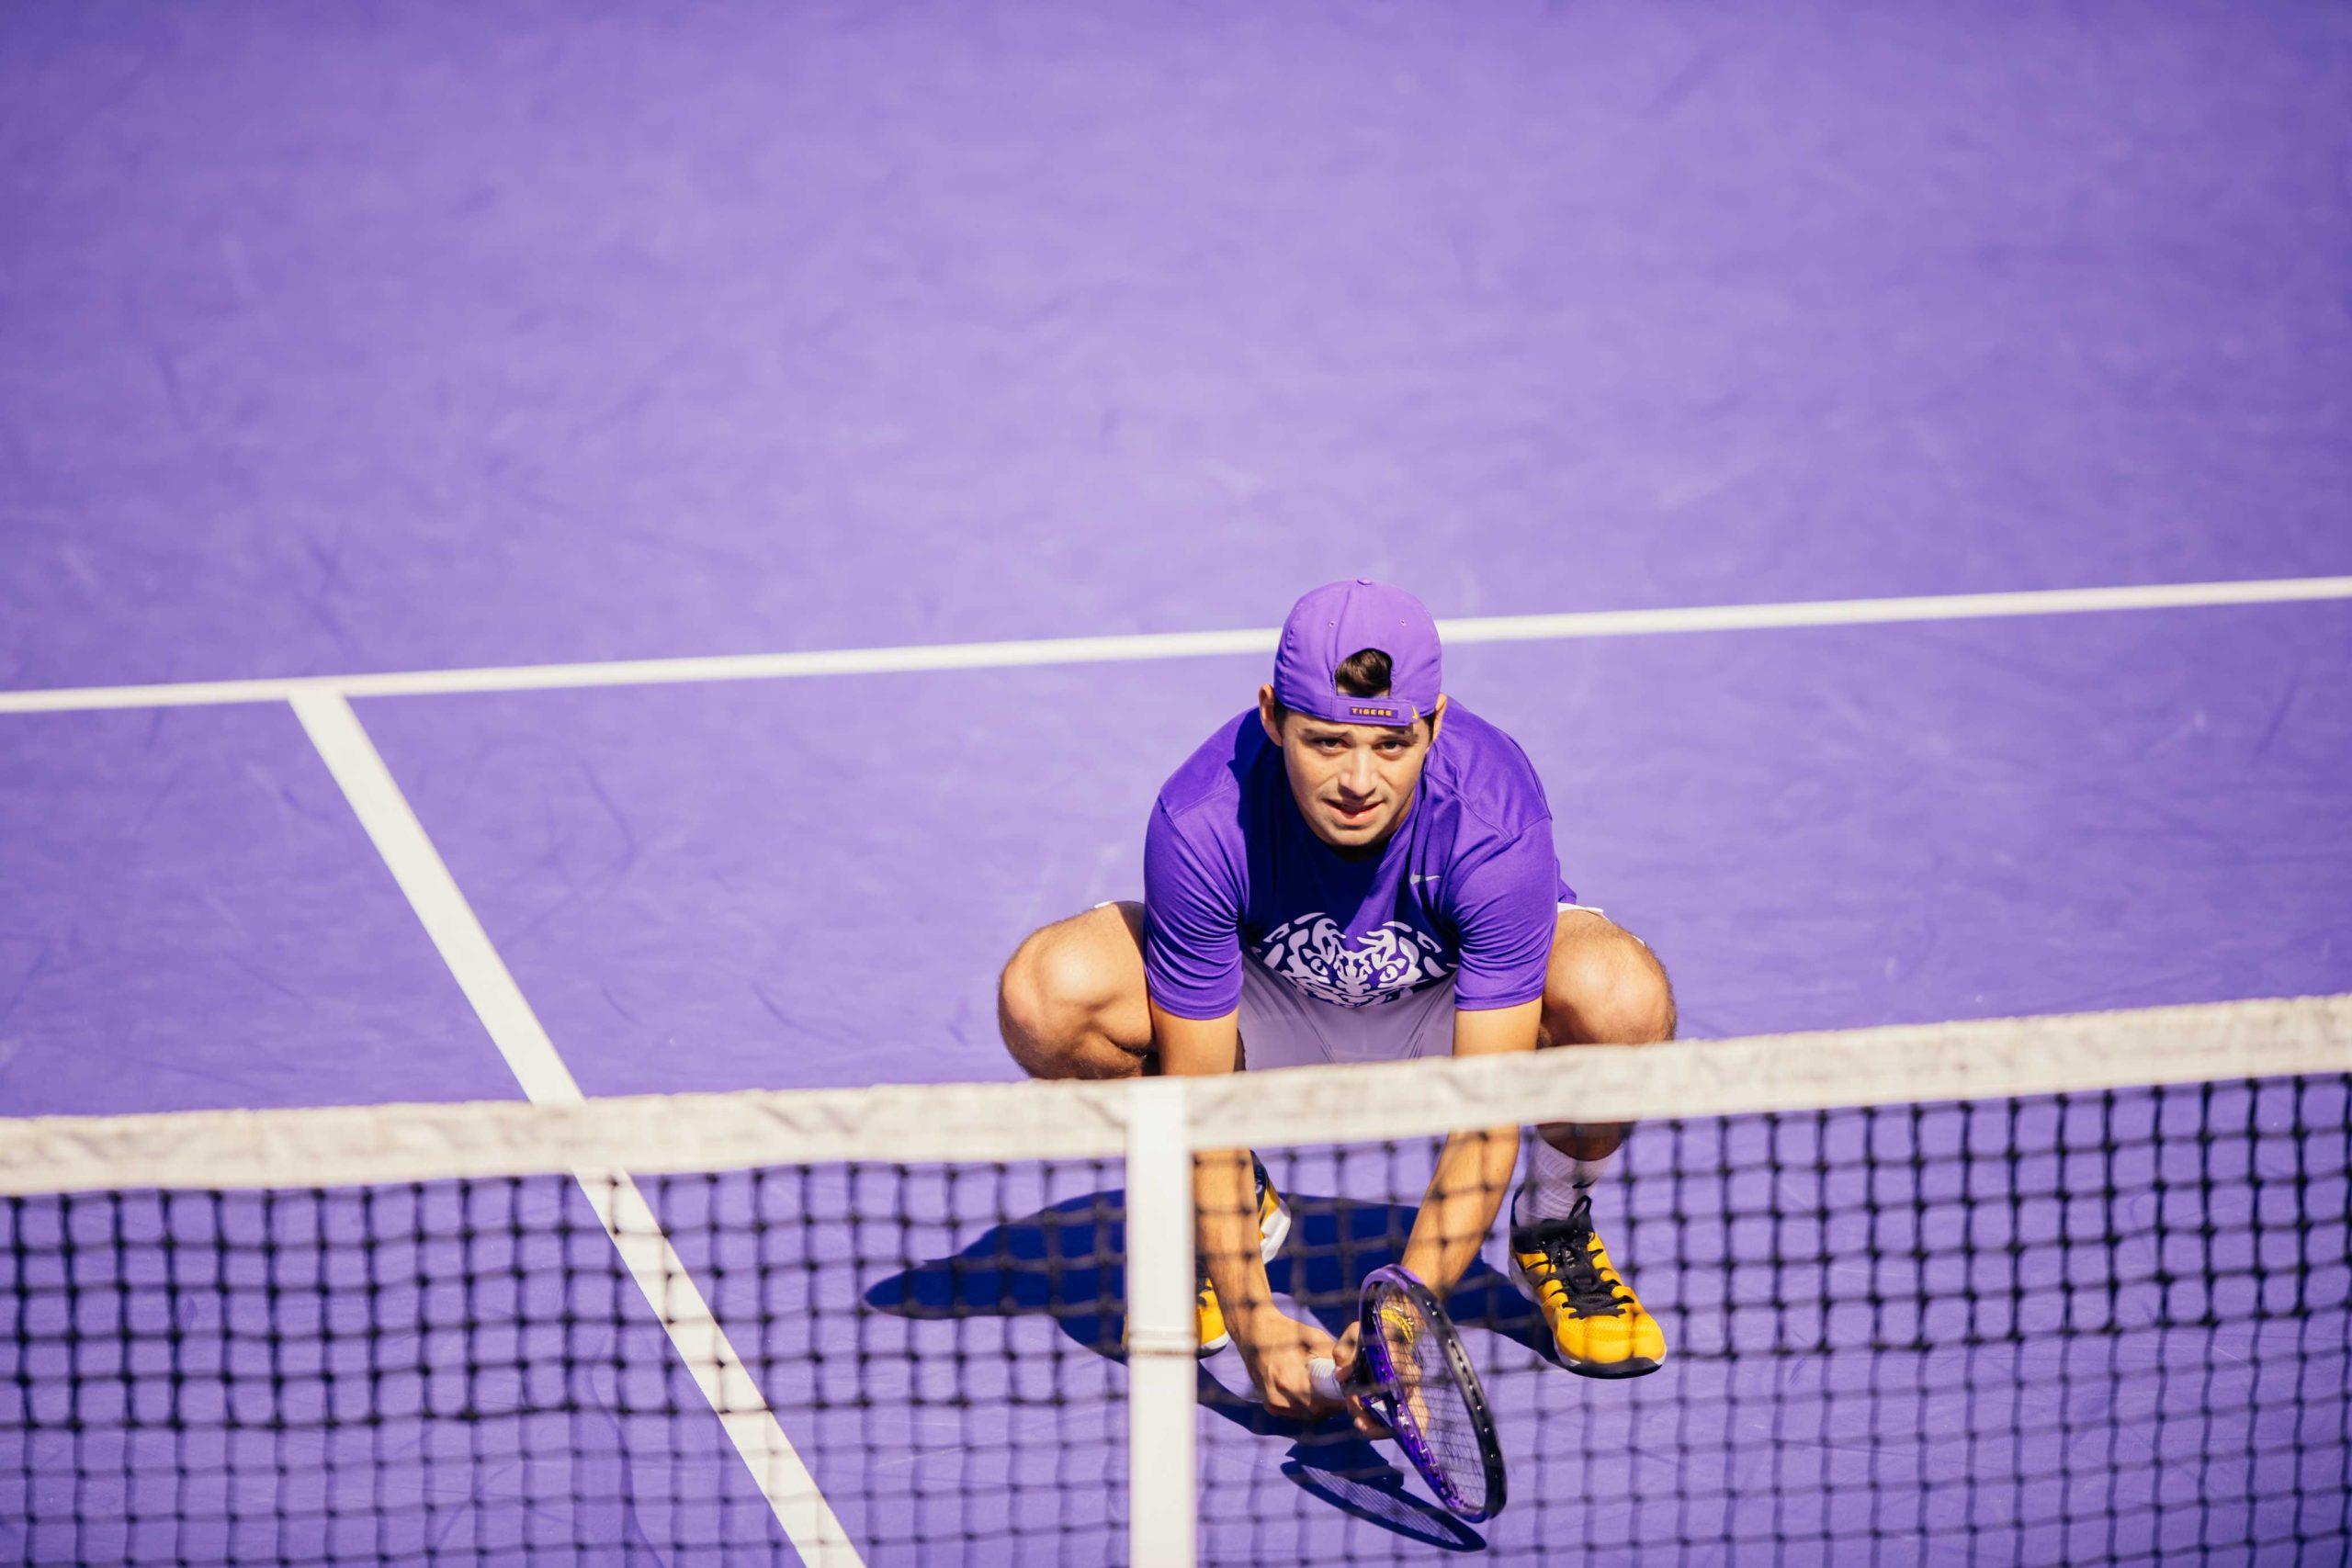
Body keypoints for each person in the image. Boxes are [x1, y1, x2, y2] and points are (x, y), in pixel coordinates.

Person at [998, 580, 1676, 1422]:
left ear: (1434, 721)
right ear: (1273, 715)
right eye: (1324, 741)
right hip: (1268, 1001)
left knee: (1621, 998)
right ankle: (1238, 1208)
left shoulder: (1493, 816)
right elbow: (1195, 1099)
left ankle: (1552, 1223)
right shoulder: (1204, 816)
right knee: (1048, 992)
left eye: (1392, 745)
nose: (1359, 780)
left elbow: (1488, 1118)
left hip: (1444, 1000)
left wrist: (1404, 1316)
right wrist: (1254, 1323)